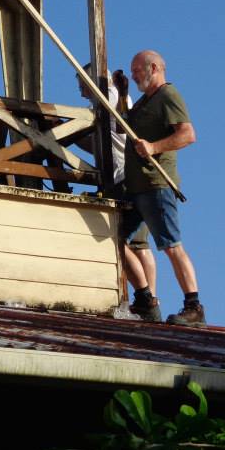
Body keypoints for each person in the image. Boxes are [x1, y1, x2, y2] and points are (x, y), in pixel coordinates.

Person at [118, 50, 204, 326]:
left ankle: (194, 307)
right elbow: (123, 125)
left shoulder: (168, 95)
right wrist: (122, 94)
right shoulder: (145, 101)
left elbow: (188, 134)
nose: (133, 76)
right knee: (116, 240)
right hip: (136, 186)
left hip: (156, 184)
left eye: (137, 70)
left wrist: (154, 147)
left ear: (153, 68)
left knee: (171, 245)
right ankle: (145, 300)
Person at [76, 66, 156, 297]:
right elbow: (98, 145)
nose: (81, 93)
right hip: (124, 175)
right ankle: (148, 295)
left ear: (91, 80)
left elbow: (97, 132)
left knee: (134, 243)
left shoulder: (108, 97)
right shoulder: (112, 99)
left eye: (82, 86)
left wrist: (63, 128)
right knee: (136, 243)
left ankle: (148, 296)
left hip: (125, 176)